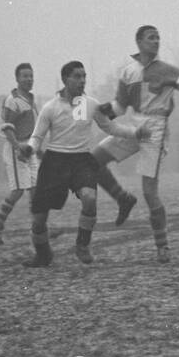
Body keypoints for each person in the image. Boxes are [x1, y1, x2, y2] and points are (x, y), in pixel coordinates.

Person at [91, 26, 179, 264]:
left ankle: (162, 246)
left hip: (155, 128)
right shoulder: (128, 72)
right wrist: (98, 110)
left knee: (149, 191)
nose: (156, 42)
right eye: (151, 38)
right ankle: (122, 198)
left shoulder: (169, 71)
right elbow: (119, 107)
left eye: (158, 38)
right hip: (135, 124)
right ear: (138, 42)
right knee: (93, 159)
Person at [19, 61, 151, 268]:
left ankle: (82, 244)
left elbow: (111, 127)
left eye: (84, 76)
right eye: (77, 77)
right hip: (55, 162)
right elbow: (37, 137)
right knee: (39, 218)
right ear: (65, 79)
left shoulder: (90, 104)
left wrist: (135, 133)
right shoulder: (50, 107)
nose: (82, 81)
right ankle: (43, 254)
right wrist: (29, 148)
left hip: (81, 161)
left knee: (89, 198)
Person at [0, 63, 39, 244]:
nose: (29, 79)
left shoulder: (32, 99)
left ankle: (38, 228)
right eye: (25, 76)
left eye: (31, 76)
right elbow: (7, 128)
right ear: (17, 79)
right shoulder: (13, 100)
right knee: (18, 191)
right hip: (16, 148)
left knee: (35, 190)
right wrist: (18, 148)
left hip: (30, 147)